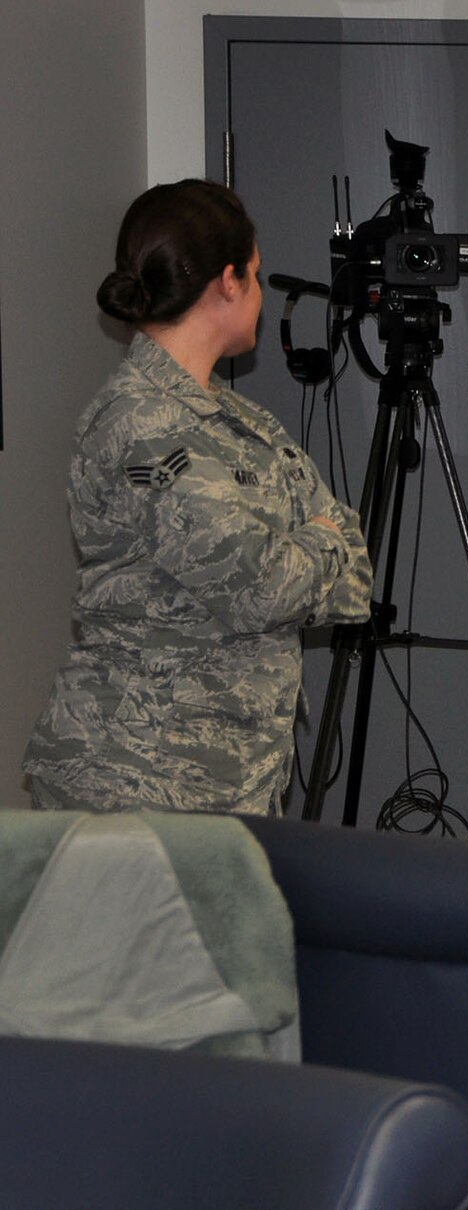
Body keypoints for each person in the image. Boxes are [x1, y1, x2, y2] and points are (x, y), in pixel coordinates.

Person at [23, 180, 372, 815]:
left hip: (228, 784)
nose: (262, 296)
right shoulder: (140, 422)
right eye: (258, 275)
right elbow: (261, 590)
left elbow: (353, 577)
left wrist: (309, 553)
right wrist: (319, 538)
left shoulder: (241, 420)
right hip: (139, 780)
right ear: (228, 281)